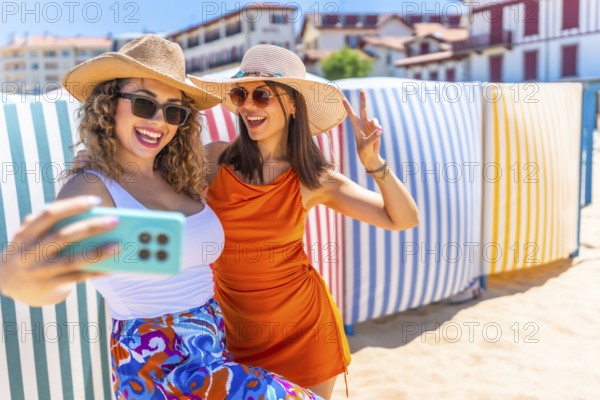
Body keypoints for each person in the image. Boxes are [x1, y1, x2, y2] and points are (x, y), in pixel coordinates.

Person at [0, 34, 321, 400]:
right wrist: (21, 277)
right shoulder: (90, 188)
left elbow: (257, 163)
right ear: (108, 105)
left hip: (214, 350)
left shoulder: (181, 177)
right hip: (161, 368)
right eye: (143, 103)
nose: (158, 121)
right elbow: (49, 272)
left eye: (173, 111)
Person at [191, 45, 420, 399]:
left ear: (294, 103)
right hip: (236, 331)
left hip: (304, 331)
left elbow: (403, 219)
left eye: (263, 95)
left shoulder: (315, 179)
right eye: (241, 94)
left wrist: (374, 163)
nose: (248, 105)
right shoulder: (215, 159)